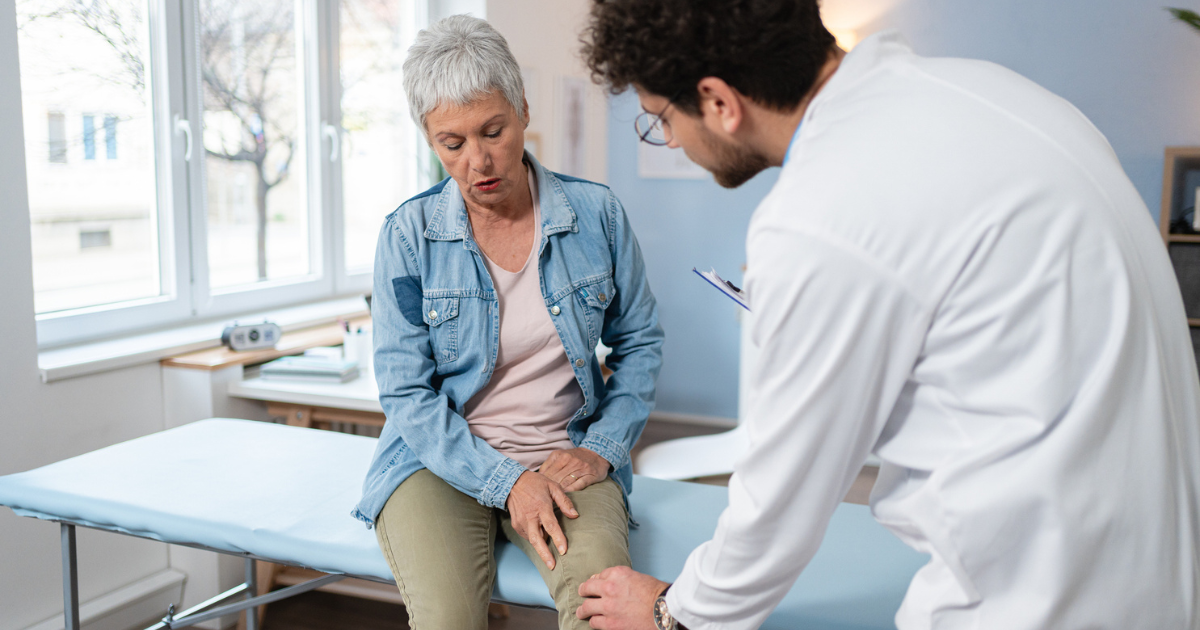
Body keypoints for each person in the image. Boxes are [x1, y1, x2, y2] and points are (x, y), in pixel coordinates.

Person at [574, 1, 1200, 629]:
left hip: (1034, 602)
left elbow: (782, 497)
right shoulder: (1001, 94)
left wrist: (672, 610)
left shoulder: (819, 216)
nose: (672, 139)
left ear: (718, 102)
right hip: (1163, 579)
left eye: (660, 119)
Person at [352, 15, 664, 630]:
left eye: (493, 131)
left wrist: (601, 448)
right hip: (439, 465)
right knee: (448, 622)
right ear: (427, 137)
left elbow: (642, 341)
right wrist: (505, 481)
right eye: (452, 143)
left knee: (606, 614)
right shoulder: (409, 236)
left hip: (564, 456)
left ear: (522, 108)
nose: (479, 161)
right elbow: (406, 396)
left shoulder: (596, 215)